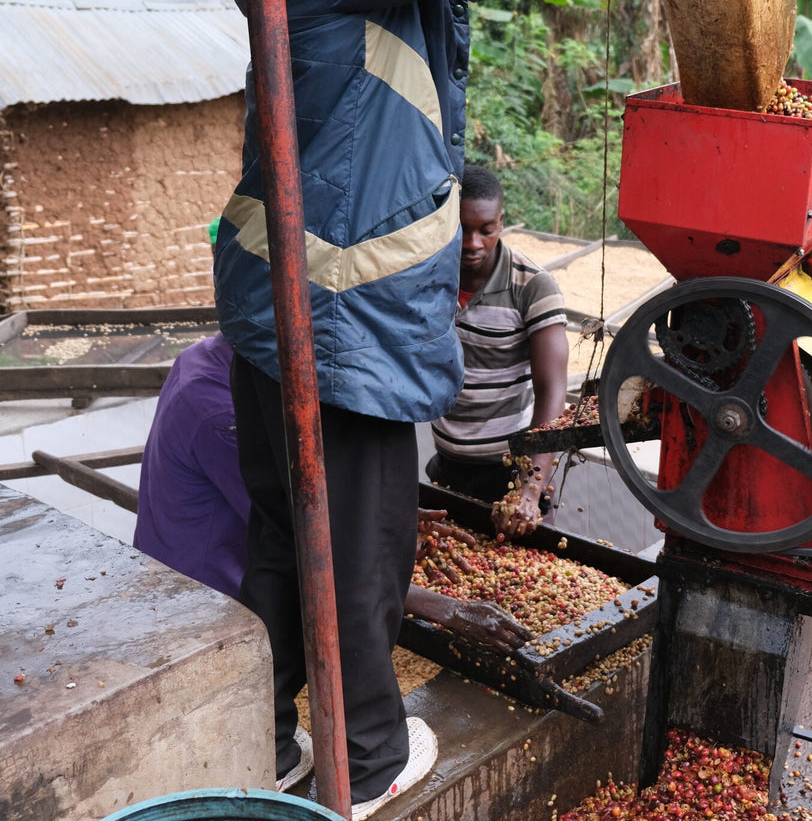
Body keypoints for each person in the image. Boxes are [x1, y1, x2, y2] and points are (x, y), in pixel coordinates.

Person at [212, 0, 797, 814]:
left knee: (284, 533)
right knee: (363, 547)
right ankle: (367, 760)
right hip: (337, 319)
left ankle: (262, 739)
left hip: (276, 302)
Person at [132, 333, 531, 791]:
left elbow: (296, 510)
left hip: (191, 569)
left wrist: (382, 509)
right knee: (315, 592)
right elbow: (317, 548)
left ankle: (272, 749)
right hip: (207, 600)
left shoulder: (217, 358)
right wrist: (447, 609)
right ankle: (372, 771)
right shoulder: (221, 416)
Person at [426, 166, 569, 540]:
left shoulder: (533, 287)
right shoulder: (427, 278)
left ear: (501, 222)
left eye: (486, 230)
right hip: (447, 468)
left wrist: (531, 486)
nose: (473, 243)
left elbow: (553, 391)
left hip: (511, 474)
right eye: (462, 230)